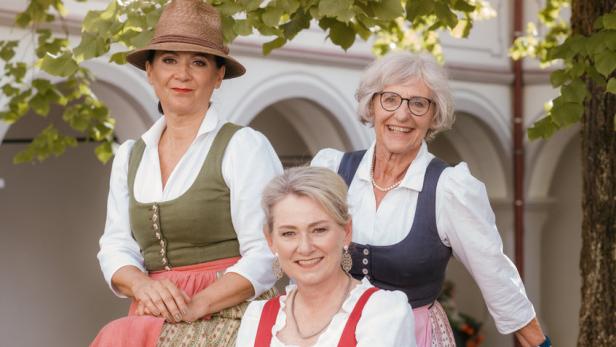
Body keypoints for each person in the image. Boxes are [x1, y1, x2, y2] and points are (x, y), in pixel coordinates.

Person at [311, 52, 550, 347]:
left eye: (418, 103)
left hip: (413, 337)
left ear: (434, 115)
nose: (402, 114)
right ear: (371, 105)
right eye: (390, 99)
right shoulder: (331, 171)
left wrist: (541, 344)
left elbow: (496, 276)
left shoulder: (450, 189)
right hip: (331, 333)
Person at [92, 0, 282, 345]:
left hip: (231, 311)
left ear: (218, 75)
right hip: (154, 314)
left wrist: (200, 303)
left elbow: (269, 252)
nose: (182, 74)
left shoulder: (243, 146)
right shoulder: (131, 155)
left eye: (198, 62)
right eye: (168, 60)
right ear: (150, 71)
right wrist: (142, 285)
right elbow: (116, 245)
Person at [236, 167, 416, 346]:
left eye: (319, 230)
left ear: (346, 231)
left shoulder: (382, 313)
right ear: (270, 240)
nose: (305, 248)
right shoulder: (257, 317)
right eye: (289, 233)